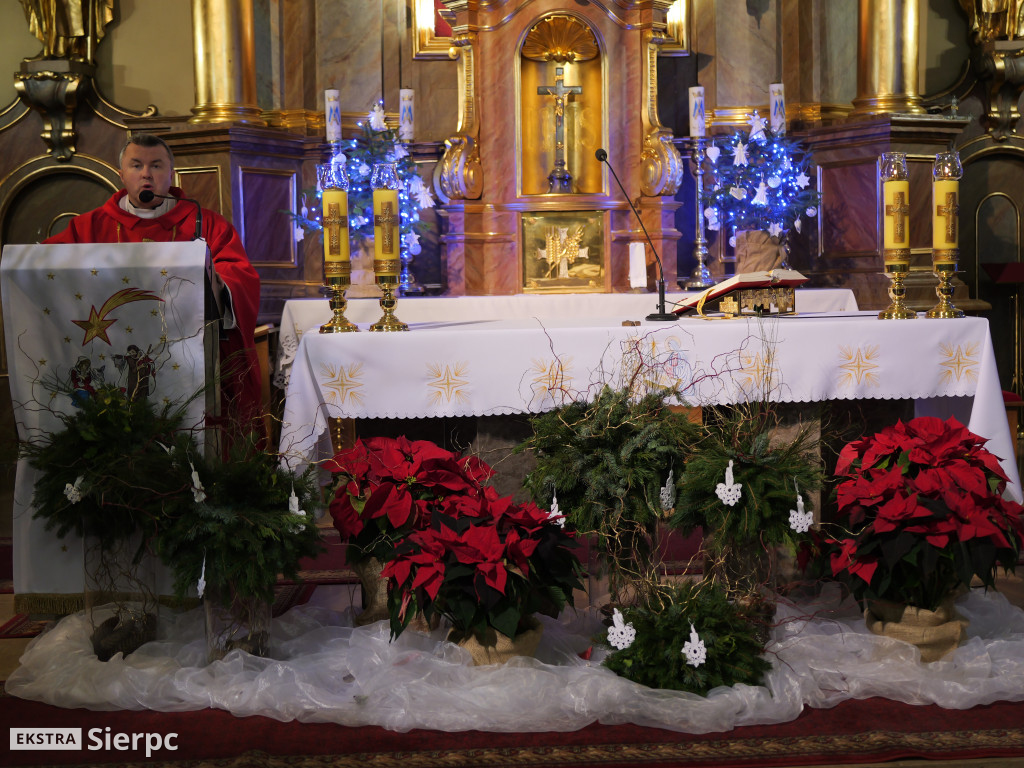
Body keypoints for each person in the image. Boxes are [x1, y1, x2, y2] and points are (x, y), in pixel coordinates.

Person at [45, 132, 263, 436]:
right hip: (111, 352)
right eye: (136, 166)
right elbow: (44, 268)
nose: (146, 174)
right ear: (122, 174)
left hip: (190, 355)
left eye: (156, 166)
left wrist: (217, 281)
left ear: (171, 174)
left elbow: (240, 276)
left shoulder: (205, 223)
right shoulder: (90, 227)